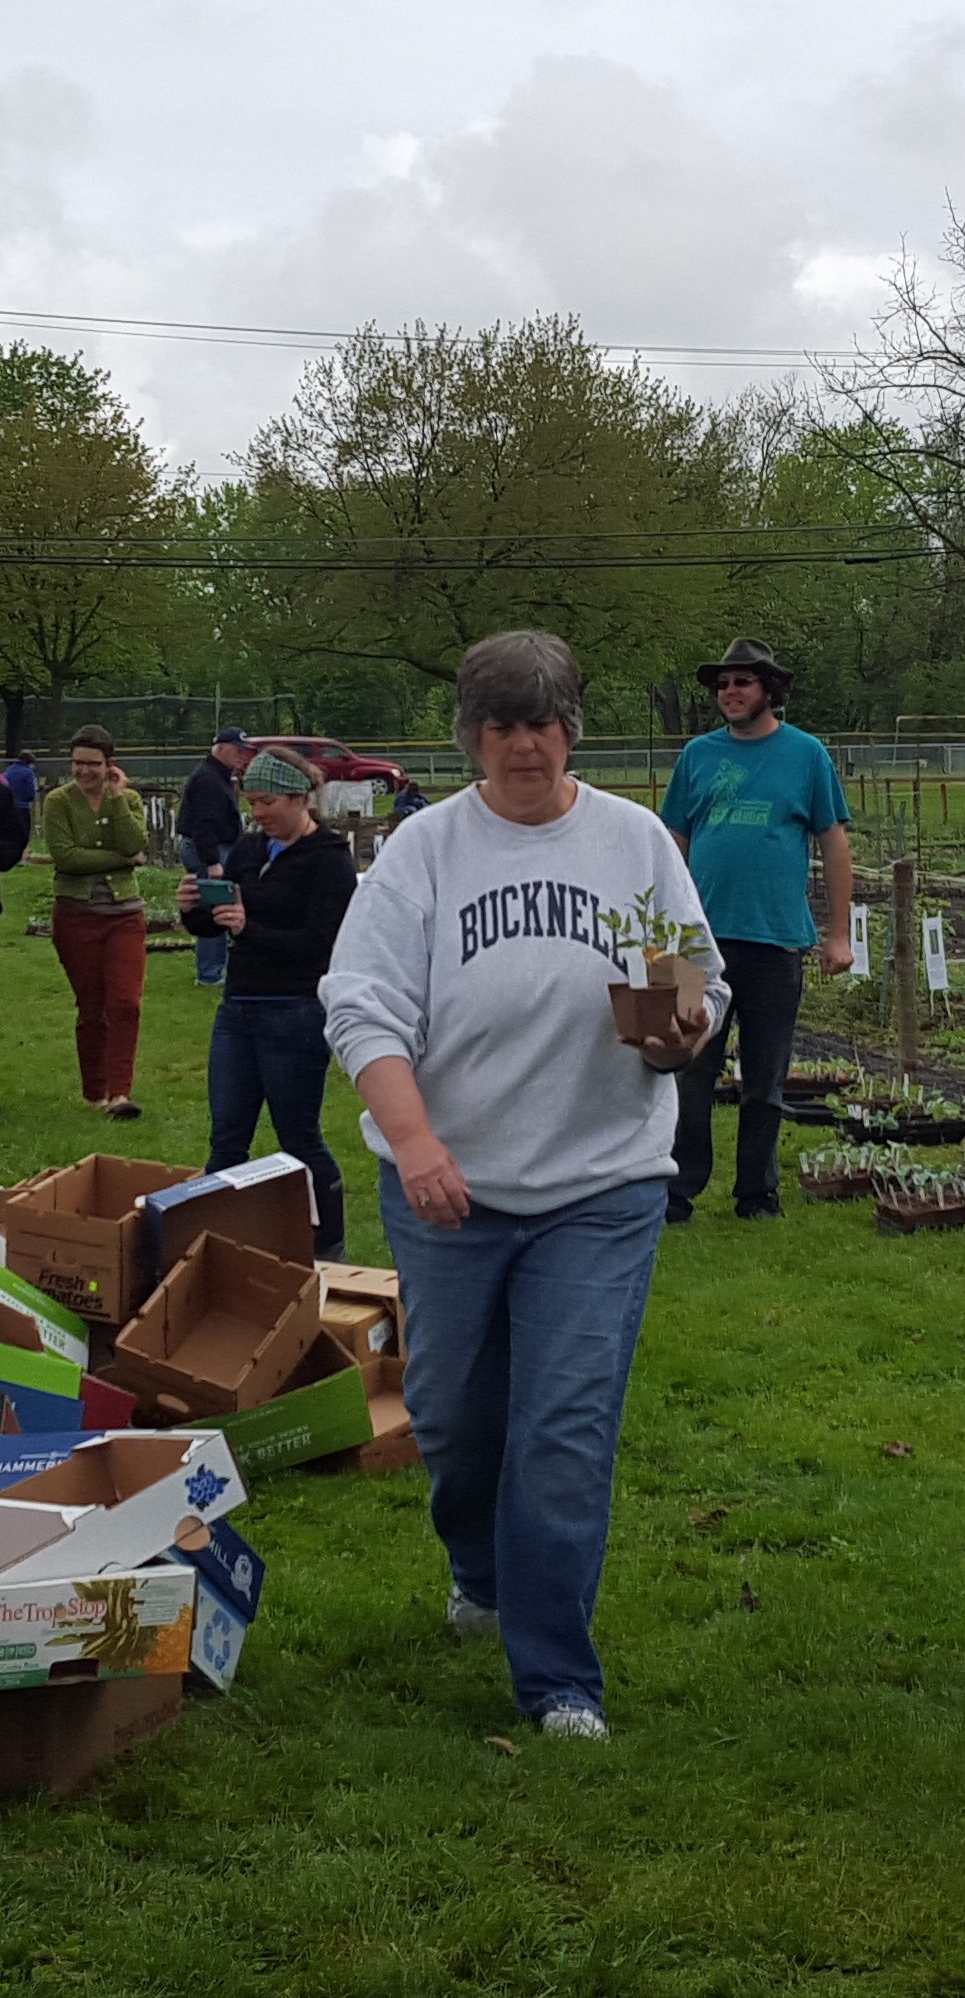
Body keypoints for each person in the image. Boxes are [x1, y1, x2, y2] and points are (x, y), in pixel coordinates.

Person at [321, 629, 722, 1744]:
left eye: (541, 723)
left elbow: (685, 982)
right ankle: (479, 1569)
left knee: (564, 1430)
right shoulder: (426, 853)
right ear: (472, 739)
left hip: (602, 1187)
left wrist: (682, 1031)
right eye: (500, 726)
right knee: (455, 1418)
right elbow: (360, 1007)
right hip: (449, 1187)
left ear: (570, 730)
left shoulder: (633, 842)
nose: (523, 745)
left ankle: (557, 1681)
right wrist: (415, 1145)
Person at [659, 638, 854, 1224]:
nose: (730, 693)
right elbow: (673, 842)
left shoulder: (806, 755)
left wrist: (837, 934)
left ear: (769, 689)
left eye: (742, 682)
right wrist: (663, 926)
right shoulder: (697, 756)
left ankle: (756, 1191)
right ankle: (677, 1188)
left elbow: (834, 843)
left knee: (765, 1078)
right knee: (689, 1068)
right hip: (698, 944)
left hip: (774, 939)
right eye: (722, 684)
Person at [177, 750, 356, 1255]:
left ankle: (329, 1247)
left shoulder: (329, 859)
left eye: (268, 801)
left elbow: (322, 945)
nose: (257, 813)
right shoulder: (251, 850)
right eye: (251, 802)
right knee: (226, 1138)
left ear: (300, 798)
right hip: (238, 1010)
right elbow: (217, 921)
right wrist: (193, 911)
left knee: (297, 1137)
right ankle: (211, 1246)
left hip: (295, 1010)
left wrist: (250, 929)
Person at [41, 726, 150, 1120]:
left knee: (126, 1003)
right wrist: (124, 859)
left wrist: (117, 798)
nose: (84, 771)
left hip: (125, 915)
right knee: (92, 1008)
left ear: (110, 765)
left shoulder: (129, 799)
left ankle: (120, 1094)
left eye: (93, 764)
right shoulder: (58, 802)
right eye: (77, 763)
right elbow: (66, 858)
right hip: (76, 916)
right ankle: (95, 1092)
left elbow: (135, 842)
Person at [176, 726, 251, 988]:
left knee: (220, 906)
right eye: (238, 750)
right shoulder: (209, 779)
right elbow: (203, 824)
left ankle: (216, 968)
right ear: (221, 748)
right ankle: (209, 973)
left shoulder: (218, 775)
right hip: (208, 849)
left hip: (215, 847)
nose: (243, 755)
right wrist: (212, 862)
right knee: (214, 909)